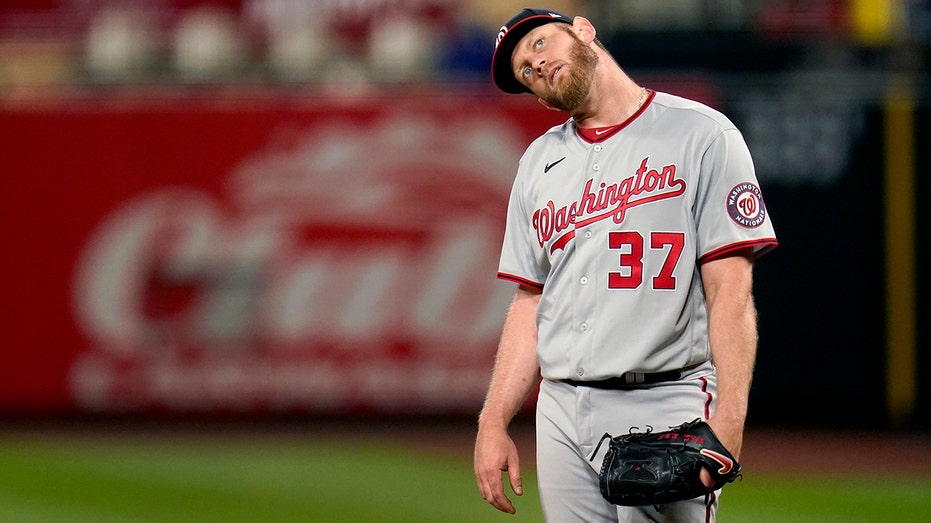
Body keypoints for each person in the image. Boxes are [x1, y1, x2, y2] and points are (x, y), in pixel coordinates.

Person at [473, 8, 778, 522]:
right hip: (561, 411)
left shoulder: (701, 134)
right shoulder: (537, 163)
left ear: (584, 30)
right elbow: (531, 302)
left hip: (666, 400)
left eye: (541, 44)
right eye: (525, 70)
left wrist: (730, 416)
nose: (537, 66)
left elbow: (730, 289)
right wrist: (493, 420)